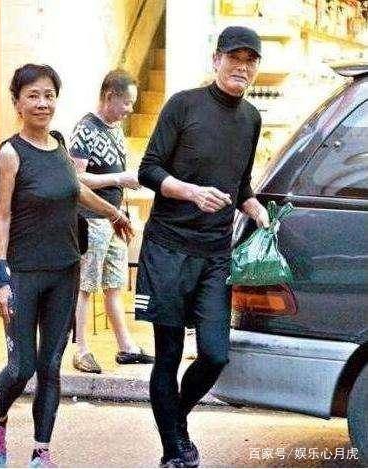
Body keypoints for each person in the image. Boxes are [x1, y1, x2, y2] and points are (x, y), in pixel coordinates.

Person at [0, 63, 133, 468]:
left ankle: (41, 452)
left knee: (50, 366)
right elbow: (2, 217)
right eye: (32, 95)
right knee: (21, 367)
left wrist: (114, 214)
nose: (42, 103)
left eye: (48, 95)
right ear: (17, 102)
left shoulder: (61, 143)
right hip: (23, 275)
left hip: (65, 272)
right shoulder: (11, 153)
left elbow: (75, 189)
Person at [134, 26, 270, 468]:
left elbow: (240, 183)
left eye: (250, 61)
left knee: (214, 354)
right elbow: (148, 170)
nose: (242, 67)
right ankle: (173, 449)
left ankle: (175, 421)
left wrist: (254, 207)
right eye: (234, 58)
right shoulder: (183, 105)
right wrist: (191, 192)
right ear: (216, 60)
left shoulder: (251, 118)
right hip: (168, 248)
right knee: (169, 355)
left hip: (215, 255)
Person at [69, 69, 154, 374]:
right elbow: (76, 178)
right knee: (85, 285)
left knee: (114, 285)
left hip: (114, 218)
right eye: (127, 102)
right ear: (109, 97)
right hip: (92, 219)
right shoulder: (85, 128)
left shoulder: (115, 129)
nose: (129, 109)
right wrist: (119, 178)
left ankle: (126, 346)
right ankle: (80, 349)